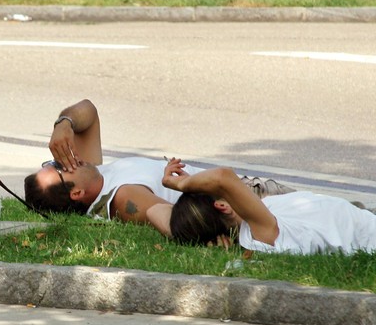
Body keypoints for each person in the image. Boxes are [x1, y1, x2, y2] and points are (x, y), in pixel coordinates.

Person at [23, 99, 293, 235]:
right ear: (76, 194)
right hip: (249, 200)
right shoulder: (122, 197)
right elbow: (171, 220)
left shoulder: (92, 173)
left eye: (53, 161)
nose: (65, 158)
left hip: (243, 189)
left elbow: (88, 111)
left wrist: (64, 123)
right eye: (60, 166)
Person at [165, 150, 376, 254]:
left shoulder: (261, 228)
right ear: (223, 205)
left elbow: (222, 184)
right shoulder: (260, 233)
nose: (243, 185)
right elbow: (222, 178)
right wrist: (178, 183)